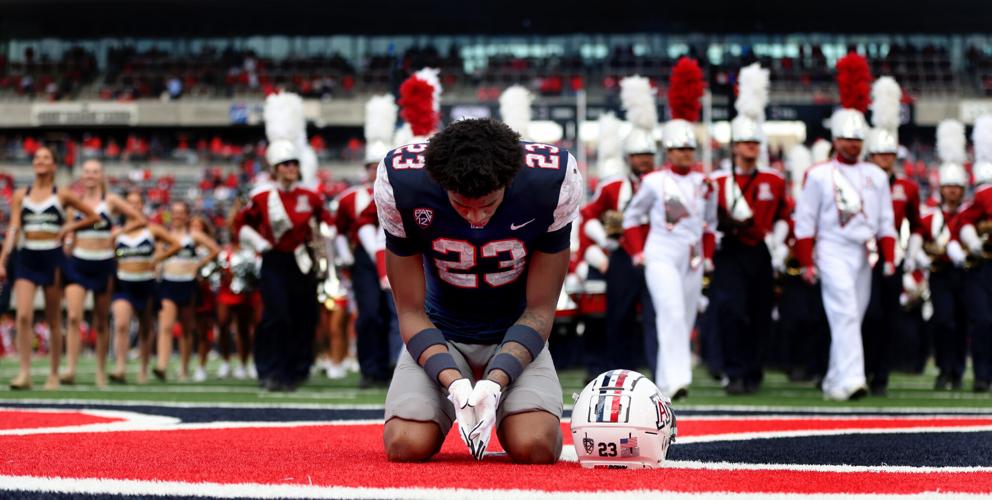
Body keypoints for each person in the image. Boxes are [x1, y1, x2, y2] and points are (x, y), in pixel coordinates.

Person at [377, 119, 582, 463]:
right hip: (440, 330)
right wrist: (455, 384)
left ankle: (507, 396)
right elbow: (410, 311)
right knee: (405, 444)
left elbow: (540, 310)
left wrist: (495, 382)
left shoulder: (551, 182)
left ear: (509, 181)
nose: (477, 218)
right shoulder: (403, 183)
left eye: (488, 204)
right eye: (461, 205)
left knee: (536, 446)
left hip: (514, 330)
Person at [793, 109, 897, 401]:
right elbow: (805, 222)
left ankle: (834, 381)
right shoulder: (817, 175)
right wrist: (806, 261)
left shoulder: (876, 175)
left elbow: (885, 220)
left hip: (863, 253)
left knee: (851, 317)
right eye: (847, 139)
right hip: (831, 249)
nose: (853, 144)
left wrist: (889, 256)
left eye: (858, 139)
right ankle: (853, 379)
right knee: (845, 313)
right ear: (835, 140)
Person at [621, 118, 716, 400]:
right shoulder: (653, 182)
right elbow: (632, 217)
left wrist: (708, 255)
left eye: (690, 148)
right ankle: (678, 379)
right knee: (671, 311)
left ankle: (665, 378)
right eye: (679, 148)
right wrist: (638, 250)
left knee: (685, 317)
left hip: (693, 255)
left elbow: (710, 223)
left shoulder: (705, 183)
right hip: (661, 251)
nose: (686, 153)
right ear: (668, 151)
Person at [233, 139, 334, 391]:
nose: (291, 168)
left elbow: (326, 224)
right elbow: (242, 226)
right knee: (276, 317)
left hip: (303, 262)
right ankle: (270, 370)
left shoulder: (310, 196)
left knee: (305, 317)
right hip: (275, 260)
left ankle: (296, 370)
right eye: (285, 164)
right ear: (275, 168)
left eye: (293, 163)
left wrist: (324, 246)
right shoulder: (262, 196)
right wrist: (260, 244)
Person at [0, 146, 100, 390]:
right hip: (27, 256)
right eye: (37, 158)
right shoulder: (21, 195)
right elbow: (14, 228)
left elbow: (93, 217)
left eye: (46, 158)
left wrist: (68, 228)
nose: (40, 161)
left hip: (53, 257)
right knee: (23, 316)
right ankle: (25, 373)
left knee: (54, 318)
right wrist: (3, 258)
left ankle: (54, 374)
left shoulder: (62, 194)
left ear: (54, 165)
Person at [709, 116, 791, 395]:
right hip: (730, 252)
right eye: (745, 142)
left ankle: (754, 370)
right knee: (731, 313)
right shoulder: (717, 180)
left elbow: (784, 216)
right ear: (734, 147)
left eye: (755, 142)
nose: (751, 147)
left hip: (760, 252)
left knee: (760, 313)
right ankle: (733, 372)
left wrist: (777, 244)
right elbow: (707, 219)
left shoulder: (774, 179)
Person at [578, 127, 657, 377]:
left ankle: (658, 371)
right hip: (623, 257)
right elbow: (588, 216)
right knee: (619, 316)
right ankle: (618, 371)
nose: (644, 160)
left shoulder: (664, 183)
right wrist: (606, 240)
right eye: (638, 155)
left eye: (648, 155)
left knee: (657, 317)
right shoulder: (613, 188)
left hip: (657, 257)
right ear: (628, 158)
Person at [62, 159, 147, 387]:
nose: (90, 175)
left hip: (103, 263)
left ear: (101, 176)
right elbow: (70, 232)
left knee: (101, 321)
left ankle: (100, 370)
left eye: (95, 172)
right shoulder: (75, 202)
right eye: (87, 171)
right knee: (73, 317)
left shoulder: (110, 200)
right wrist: (68, 243)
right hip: (78, 261)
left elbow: (140, 219)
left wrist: (118, 232)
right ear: (82, 175)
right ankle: (70, 368)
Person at [861, 129, 923, 395]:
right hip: (862, 255)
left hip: (891, 256)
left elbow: (917, 226)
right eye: (879, 154)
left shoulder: (907, 187)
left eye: (889, 154)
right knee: (865, 315)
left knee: (888, 317)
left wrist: (910, 255)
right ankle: (861, 369)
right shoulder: (859, 182)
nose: (885, 159)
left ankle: (881, 375)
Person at [109, 191, 181, 384]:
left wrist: (158, 258)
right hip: (123, 283)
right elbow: (108, 253)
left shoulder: (152, 230)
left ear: (142, 206)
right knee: (122, 323)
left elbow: (175, 245)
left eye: (137, 203)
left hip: (146, 283)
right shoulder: (117, 232)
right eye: (130, 203)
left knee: (145, 327)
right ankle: (120, 367)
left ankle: (143, 369)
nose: (133, 207)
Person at [153, 201, 220, 381]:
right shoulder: (164, 234)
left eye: (181, 213)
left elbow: (215, 249)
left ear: (187, 215)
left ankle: (183, 368)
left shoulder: (193, 235)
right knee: (165, 326)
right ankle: (162, 365)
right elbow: (158, 255)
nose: (177, 216)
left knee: (186, 329)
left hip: (188, 284)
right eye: (174, 212)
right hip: (168, 282)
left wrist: (198, 265)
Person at [921, 163, 969, 391]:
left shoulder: (970, 213)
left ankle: (957, 370)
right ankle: (943, 368)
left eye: (956, 187)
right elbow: (918, 240)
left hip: (967, 274)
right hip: (940, 273)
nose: (952, 191)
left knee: (961, 323)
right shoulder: (930, 216)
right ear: (941, 189)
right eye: (948, 186)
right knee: (943, 321)